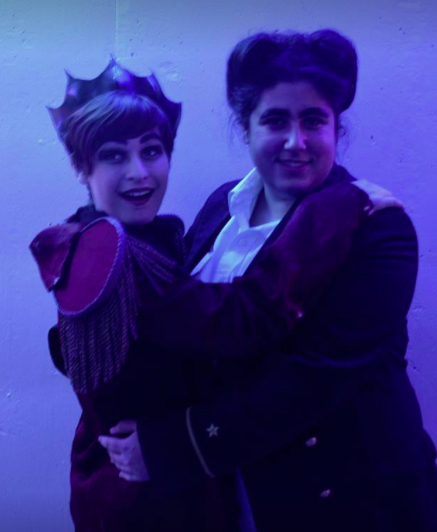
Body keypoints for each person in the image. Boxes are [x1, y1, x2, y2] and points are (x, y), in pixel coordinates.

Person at [100, 30, 437, 531]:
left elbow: (313, 378)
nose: (296, 141)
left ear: (336, 128)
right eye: (276, 120)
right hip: (240, 491)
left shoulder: (378, 227)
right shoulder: (221, 206)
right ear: (246, 127)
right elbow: (189, 327)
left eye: (313, 121)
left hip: (349, 499)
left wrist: (172, 445)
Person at [31, 58, 382, 531]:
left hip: (184, 486)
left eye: (152, 150)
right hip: (148, 500)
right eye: (114, 156)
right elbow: (240, 320)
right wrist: (336, 206)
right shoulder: (108, 256)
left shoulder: (144, 236)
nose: (139, 173)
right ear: (81, 167)